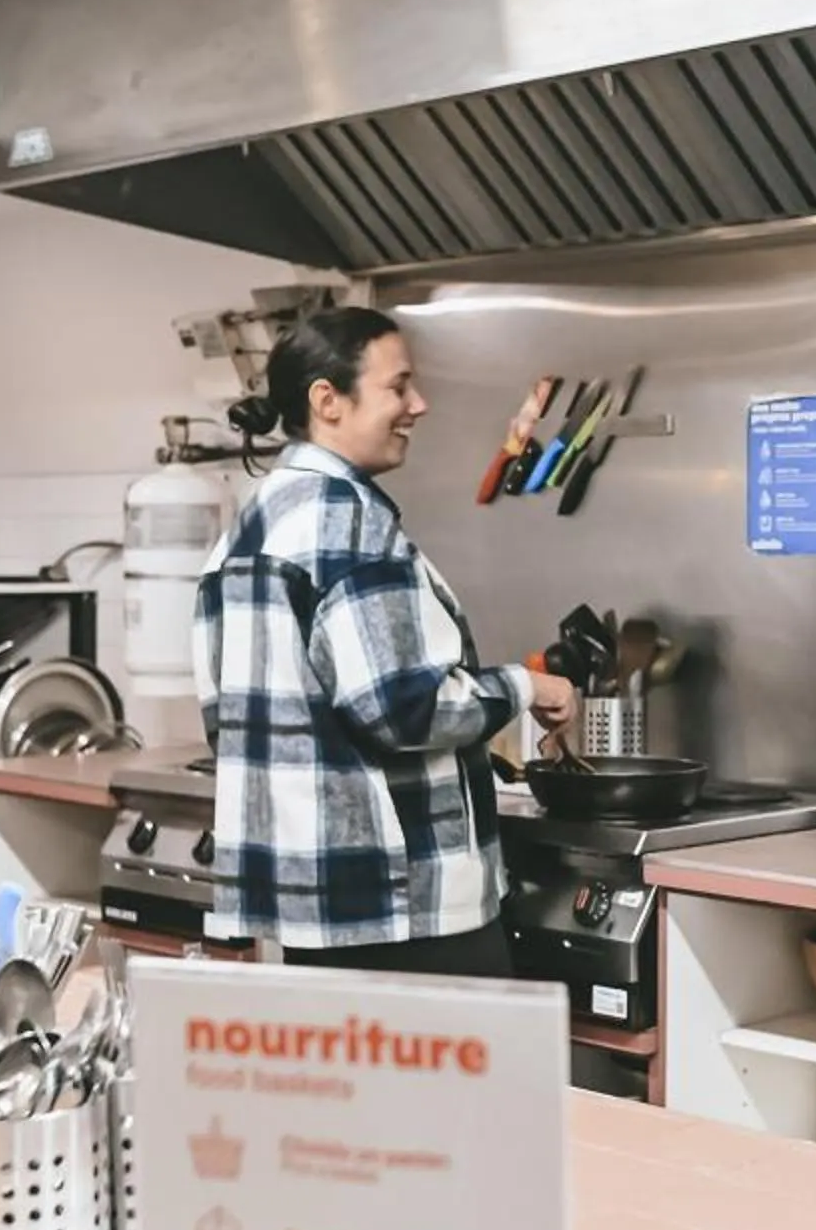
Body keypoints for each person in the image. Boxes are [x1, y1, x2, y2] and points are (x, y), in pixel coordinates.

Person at [193, 306, 578, 974]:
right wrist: (525, 684)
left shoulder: (250, 523)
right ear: (328, 401)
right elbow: (404, 708)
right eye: (399, 387)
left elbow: (222, 714)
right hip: (403, 909)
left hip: (311, 908)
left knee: (354, 1082)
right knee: (471, 1081)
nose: (418, 405)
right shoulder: (347, 520)